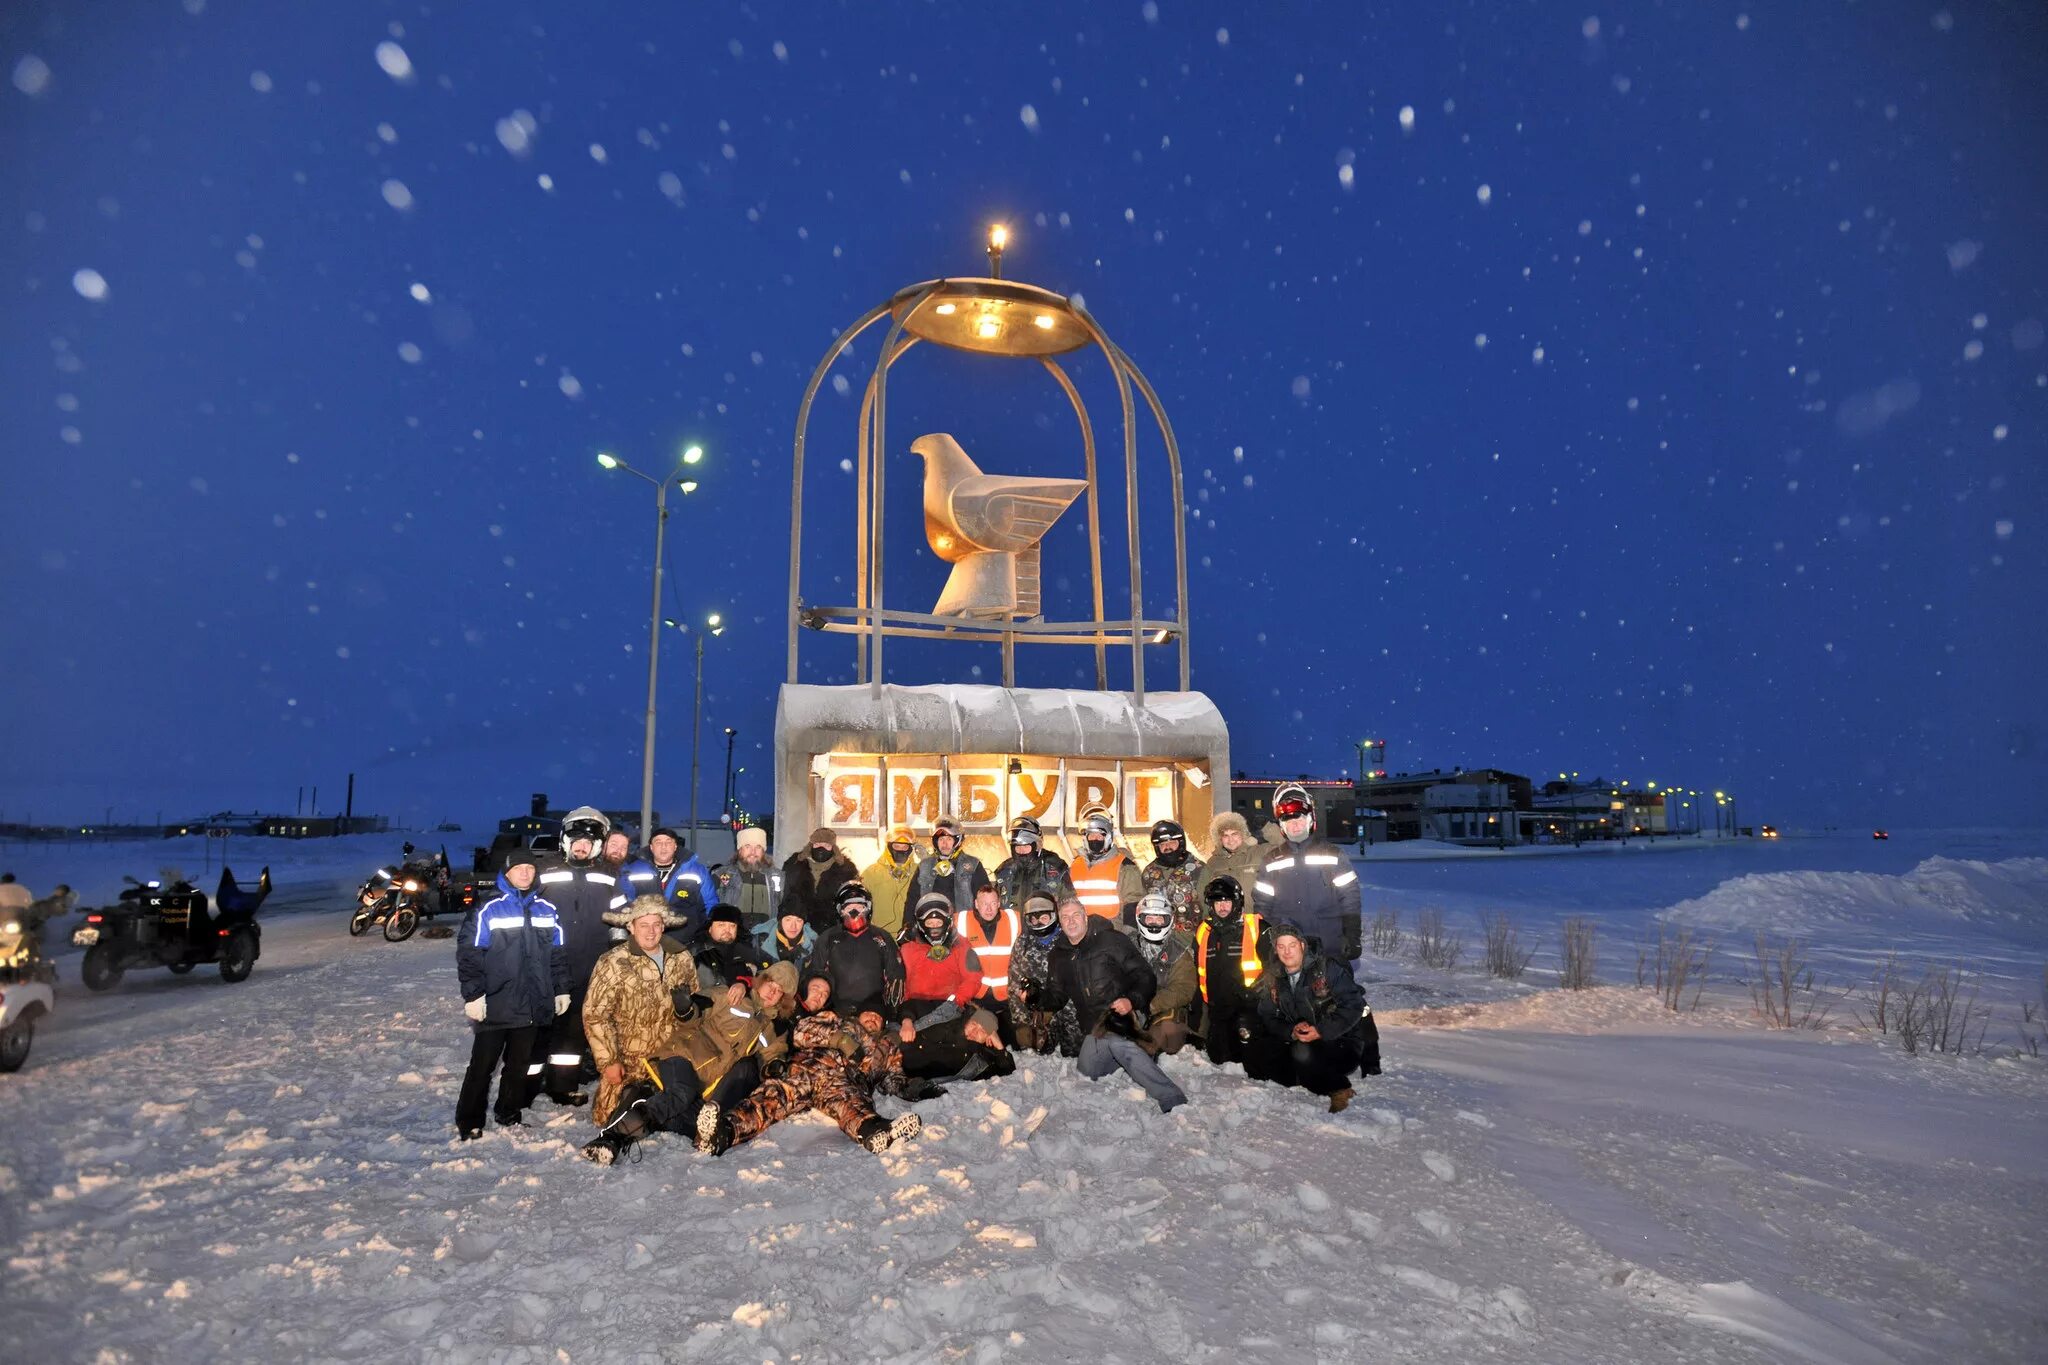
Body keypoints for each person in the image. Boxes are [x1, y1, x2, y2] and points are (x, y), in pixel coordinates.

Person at [582, 889, 799, 1165]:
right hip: (678, 1055)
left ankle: (640, 1108)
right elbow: (696, 1009)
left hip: (706, 1078)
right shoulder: (731, 996)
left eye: (779, 991)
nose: (772, 992)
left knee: (688, 1119)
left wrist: (775, 1066)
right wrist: (686, 1007)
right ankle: (611, 1139)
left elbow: (773, 1053)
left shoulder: (770, 1027)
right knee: (676, 1095)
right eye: (771, 984)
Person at [696, 974, 931, 1156]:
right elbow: (801, 1031)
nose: (872, 1019)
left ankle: (875, 1131)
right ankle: (721, 1135)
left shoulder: (886, 1048)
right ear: (858, 1016)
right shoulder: (837, 1021)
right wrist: (838, 1039)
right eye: (868, 1014)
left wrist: (912, 1088)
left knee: (850, 1104)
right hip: (806, 1071)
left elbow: (893, 1078)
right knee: (768, 1100)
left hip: (843, 1083)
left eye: (878, 1017)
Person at [454, 849, 568, 1139]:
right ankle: (470, 1121)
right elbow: (469, 954)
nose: (526, 873)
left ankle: (508, 1112)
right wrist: (473, 995)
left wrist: (561, 989)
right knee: (482, 1066)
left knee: (519, 1066)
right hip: (495, 1002)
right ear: (506, 873)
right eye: (519, 869)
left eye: (530, 868)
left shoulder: (547, 909)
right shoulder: (488, 908)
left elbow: (557, 955)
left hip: (531, 1004)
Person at [1036, 898, 1186, 1113]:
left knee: (1117, 1042)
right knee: (1088, 1073)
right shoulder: (1058, 956)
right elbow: (1056, 998)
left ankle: (1172, 1098)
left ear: (1085, 917)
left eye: (1076, 915)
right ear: (1060, 922)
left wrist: (1131, 1000)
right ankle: (1140, 1052)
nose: (1071, 921)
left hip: (1127, 1014)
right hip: (1096, 1028)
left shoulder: (1111, 940)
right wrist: (1035, 999)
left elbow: (1145, 976)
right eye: (1065, 917)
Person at [531, 805, 620, 1106]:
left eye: (588, 842)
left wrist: (618, 953)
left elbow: (620, 918)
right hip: (546, 965)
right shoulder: (544, 873)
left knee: (572, 1032)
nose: (581, 847)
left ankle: (562, 1085)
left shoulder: (609, 877)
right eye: (577, 841)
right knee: (538, 1029)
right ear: (566, 842)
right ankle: (524, 1086)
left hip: (589, 966)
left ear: (596, 846)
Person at [1244, 923, 1379, 1112]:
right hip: (1300, 1038)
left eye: (1292, 945)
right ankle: (1304, 1075)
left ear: (1302, 945)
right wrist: (1290, 1031)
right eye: (1281, 946)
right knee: (1255, 1055)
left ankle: (1338, 1088)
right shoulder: (1274, 976)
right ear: (1275, 949)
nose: (1287, 952)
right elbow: (1267, 1015)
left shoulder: (1327, 968)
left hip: (1340, 1041)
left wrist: (1321, 1031)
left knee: (1301, 1052)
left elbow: (1355, 1006)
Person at [1252, 784, 1362, 962]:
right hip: (1288, 950)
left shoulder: (1333, 854)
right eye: (1289, 821)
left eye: (1299, 819)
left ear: (1310, 820)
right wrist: (1264, 937)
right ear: (1282, 826)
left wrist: (1352, 934)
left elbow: (1350, 898)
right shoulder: (1270, 860)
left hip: (1329, 946)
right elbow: (1262, 906)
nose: (1295, 826)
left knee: (1337, 990)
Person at [1193, 875, 1272, 1068]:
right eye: (1217, 902)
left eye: (1227, 901)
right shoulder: (1204, 930)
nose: (1222, 907)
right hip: (1217, 1009)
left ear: (1237, 902)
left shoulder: (1257, 927)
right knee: (1218, 1058)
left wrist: (1255, 991)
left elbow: (1274, 967)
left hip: (1251, 1007)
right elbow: (1198, 971)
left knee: (1250, 1060)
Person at [805, 882, 906, 1021]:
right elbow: (815, 975)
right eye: (849, 907)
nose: (854, 912)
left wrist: (891, 1014)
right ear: (840, 910)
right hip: (835, 1011)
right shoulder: (827, 938)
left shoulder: (882, 938)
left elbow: (896, 975)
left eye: (859, 907)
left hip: (872, 1013)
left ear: (868, 908)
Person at [897, 892, 985, 1039]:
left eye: (938, 922)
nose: (934, 927)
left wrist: (956, 1000)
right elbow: (901, 985)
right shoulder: (908, 949)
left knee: (987, 1027)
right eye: (929, 923)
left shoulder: (962, 946)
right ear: (920, 924)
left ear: (948, 922)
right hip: (915, 1010)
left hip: (952, 1008)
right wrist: (905, 1013)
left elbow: (973, 978)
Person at [1126, 891, 1198, 1054]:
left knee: (1166, 1039)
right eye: (1149, 918)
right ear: (1140, 919)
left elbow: (1183, 989)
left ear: (1169, 921)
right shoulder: (1126, 945)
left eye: (1160, 918)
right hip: (1130, 1006)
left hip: (1162, 1009)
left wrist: (1151, 1005)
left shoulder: (1179, 952)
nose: (1154, 923)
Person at [614, 827, 712, 942]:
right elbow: (623, 903)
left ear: (675, 846)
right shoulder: (632, 870)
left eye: (668, 842)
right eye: (658, 842)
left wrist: (705, 935)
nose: (663, 846)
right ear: (651, 847)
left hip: (686, 942)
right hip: (645, 941)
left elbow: (709, 904)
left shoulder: (697, 871)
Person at [955, 882, 1021, 1044]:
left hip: (1006, 997)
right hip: (977, 996)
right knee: (974, 1040)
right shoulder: (961, 921)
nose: (989, 909)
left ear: (999, 903)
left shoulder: (1014, 919)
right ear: (976, 904)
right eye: (984, 904)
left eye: (993, 903)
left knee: (1013, 1042)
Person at [900, 1006, 1016, 1084]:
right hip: (897, 1056)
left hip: (912, 1083)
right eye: (974, 1024)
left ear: (988, 1039)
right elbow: (913, 1005)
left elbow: (1008, 1070)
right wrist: (907, 1020)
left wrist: (999, 1045)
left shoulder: (979, 1058)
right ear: (968, 1020)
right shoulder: (947, 1020)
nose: (975, 1032)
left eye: (983, 1031)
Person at [781, 827, 861, 934]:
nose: (821, 848)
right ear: (811, 845)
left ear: (833, 848)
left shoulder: (846, 871)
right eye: (817, 844)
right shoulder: (794, 865)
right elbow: (785, 896)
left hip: (832, 930)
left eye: (826, 845)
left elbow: (852, 903)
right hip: (798, 929)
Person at [1068, 809, 1143, 923]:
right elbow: (1067, 898)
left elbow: (1133, 901)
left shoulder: (1125, 866)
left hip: (1112, 929)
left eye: (1099, 836)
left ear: (1108, 837)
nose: (1095, 839)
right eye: (1091, 835)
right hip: (1080, 931)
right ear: (1085, 838)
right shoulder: (1075, 864)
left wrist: (1128, 931)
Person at [993, 815, 1074, 914]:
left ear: (1037, 846)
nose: (1022, 851)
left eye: (1026, 846)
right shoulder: (1004, 872)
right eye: (1017, 847)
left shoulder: (1056, 869)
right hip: (1012, 927)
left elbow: (1070, 905)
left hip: (1046, 928)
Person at [911, 817, 991, 916]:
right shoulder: (925, 866)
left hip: (963, 925)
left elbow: (986, 899)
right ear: (936, 842)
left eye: (949, 839)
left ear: (957, 841)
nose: (945, 844)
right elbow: (912, 900)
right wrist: (909, 926)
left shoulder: (973, 865)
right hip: (932, 924)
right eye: (941, 839)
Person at [711, 826, 784, 932]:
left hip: (767, 940)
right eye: (747, 846)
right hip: (733, 939)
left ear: (764, 851)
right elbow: (709, 907)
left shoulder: (778, 878)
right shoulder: (721, 875)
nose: (753, 852)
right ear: (739, 850)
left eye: (758, 847)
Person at [1140, 819, 1206, 933]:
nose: (1167, 847)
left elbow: (1209, 909)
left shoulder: (1199, 869)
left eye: (1172, 842)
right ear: (1157, 847)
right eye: (1162, 844)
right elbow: (1140, 908)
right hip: (1157, 936)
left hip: (1191, 939)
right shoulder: (1148, 873)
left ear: (1180, 843)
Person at [690, 902, 772, 994]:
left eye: (732, 926)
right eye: (721, 925)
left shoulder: (748, 950)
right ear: (710, 928)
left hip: (745, 1005)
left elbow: (768, 973)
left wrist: (744, 983)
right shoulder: (695, 953)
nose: (727, 930)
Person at [1194, 811, 1263, 916]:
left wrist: (1267, 827)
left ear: (1243, 834)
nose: (1230, 840)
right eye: (1225, 835)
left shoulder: (1258, 853)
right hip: (1226, 923)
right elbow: (1202, 893)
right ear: (1219, 839)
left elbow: (1284, 846)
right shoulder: (1214, 863)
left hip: (1255, 921)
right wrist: (1210, 920)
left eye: (1234, 834)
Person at [861, 826, 920, 940]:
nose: (901, 850)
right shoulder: (871, 873)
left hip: (911, 937)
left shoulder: (920, 872)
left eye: (905, 846)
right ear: (888, 846)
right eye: (896, 846)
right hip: (879, 937)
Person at [752, 906, 816, 977]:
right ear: (780, 921)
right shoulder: (760, 940)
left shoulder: (813, 945)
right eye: (788, 920)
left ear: (803, 923)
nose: (793, 926)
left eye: (799, 920)